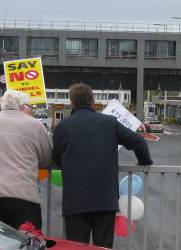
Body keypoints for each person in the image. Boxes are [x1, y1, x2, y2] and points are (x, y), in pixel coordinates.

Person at [52, 83, 152, 248]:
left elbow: (57, 159)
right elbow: (139, 141)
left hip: (75, 201)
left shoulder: (63, 126)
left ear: (72, 102)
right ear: (93, 100)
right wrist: (144, 161)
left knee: (76, 247)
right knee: (103, 247)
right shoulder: (109, 123)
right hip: (105, 200)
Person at [0, 90, 52, 230]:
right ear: (22, 106)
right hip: (22, 196)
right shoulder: (34, 125)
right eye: (30, 107)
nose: (31, 111)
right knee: (26, 242)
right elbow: (47, 158)